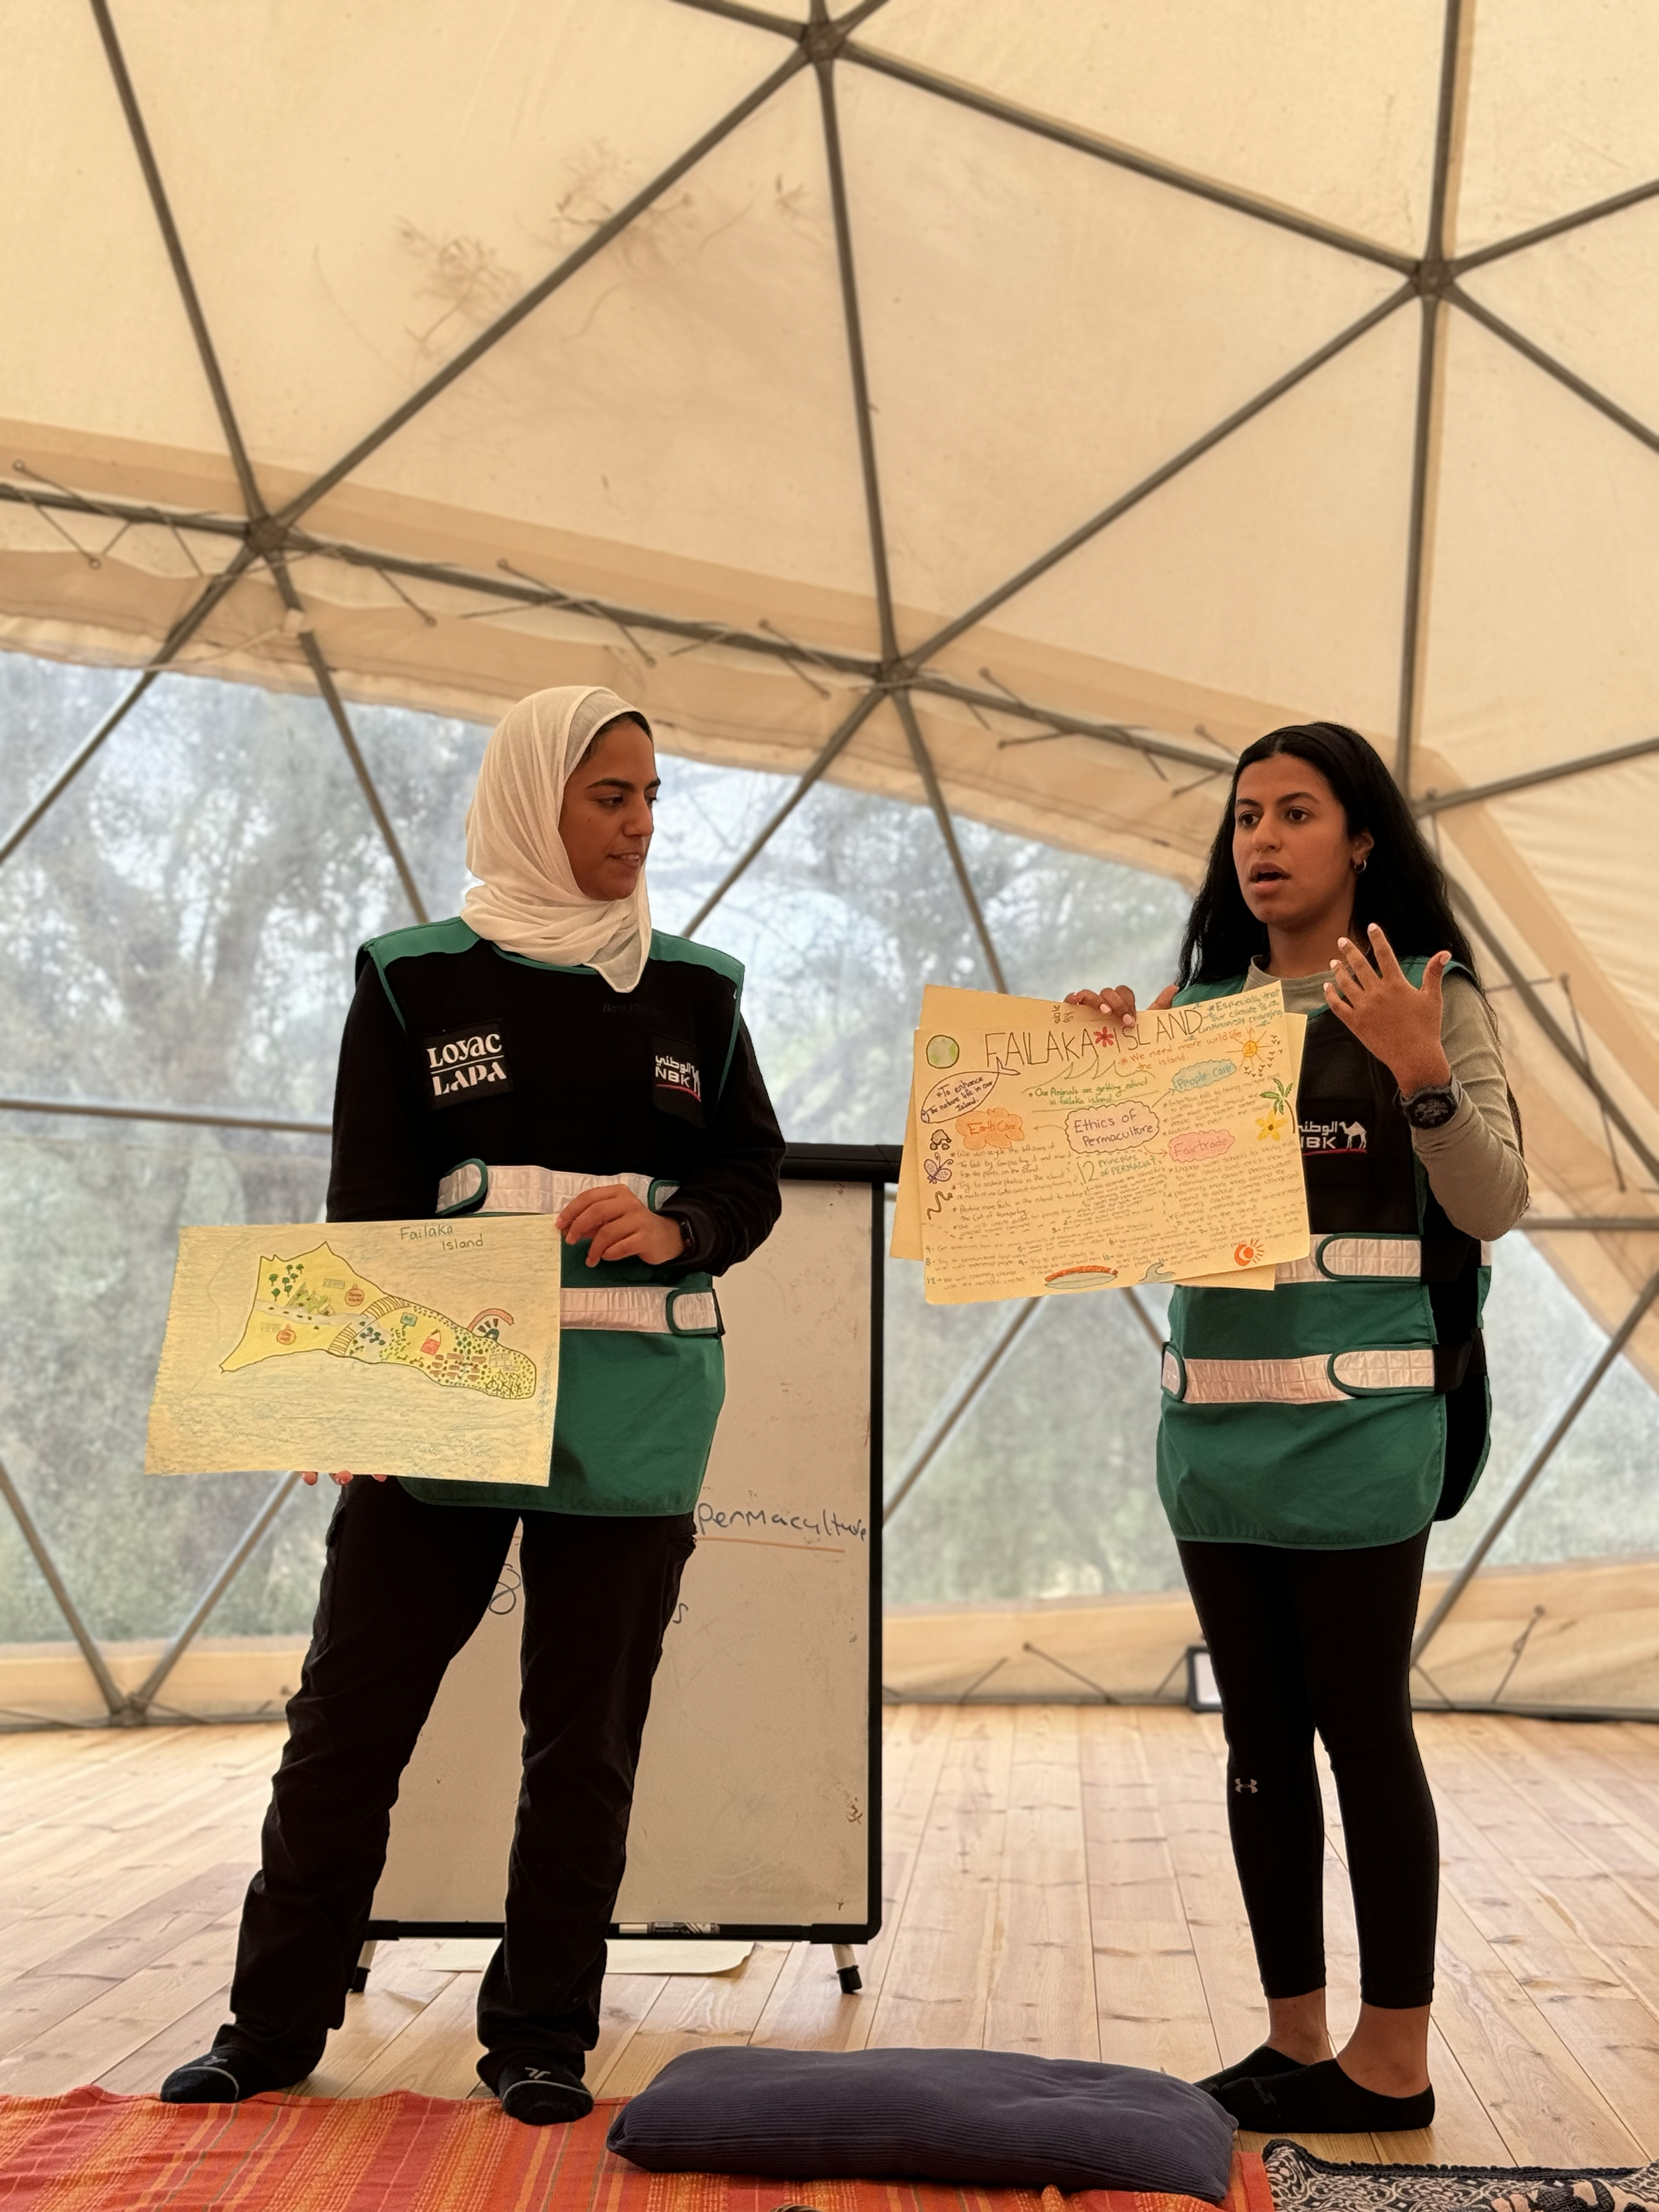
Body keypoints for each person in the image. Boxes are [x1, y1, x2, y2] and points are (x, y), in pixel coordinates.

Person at [160, 686, 784, 2124]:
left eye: (647, 797)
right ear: (528, 798)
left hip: (630, 1422)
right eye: (605, 793)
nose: (635, 823)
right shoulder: (408, 977)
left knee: (583, 1743)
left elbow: (748, 1175)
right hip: (434, 1414)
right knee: (347, 1726)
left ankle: (541, 2037)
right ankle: (270, 2025)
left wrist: (680, 1224)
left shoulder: (701, 989)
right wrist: (348, 1398)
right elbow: (368, 1206)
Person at [1066, 721, 1526, 2136]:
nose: (1259, 840)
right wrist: (1097, 1087)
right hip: (1211, 1434)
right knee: (1256, 1739)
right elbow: (1124, 1223)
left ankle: (1390, 2060)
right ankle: (1290, 2038)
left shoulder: (1429, 997)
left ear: (1360, 839)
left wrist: (1412, 1066)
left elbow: (1490, 1200)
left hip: (1360, 1432)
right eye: (1244, 816)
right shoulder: (1197, 1006)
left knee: (1359, 1728)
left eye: (1294, 814)